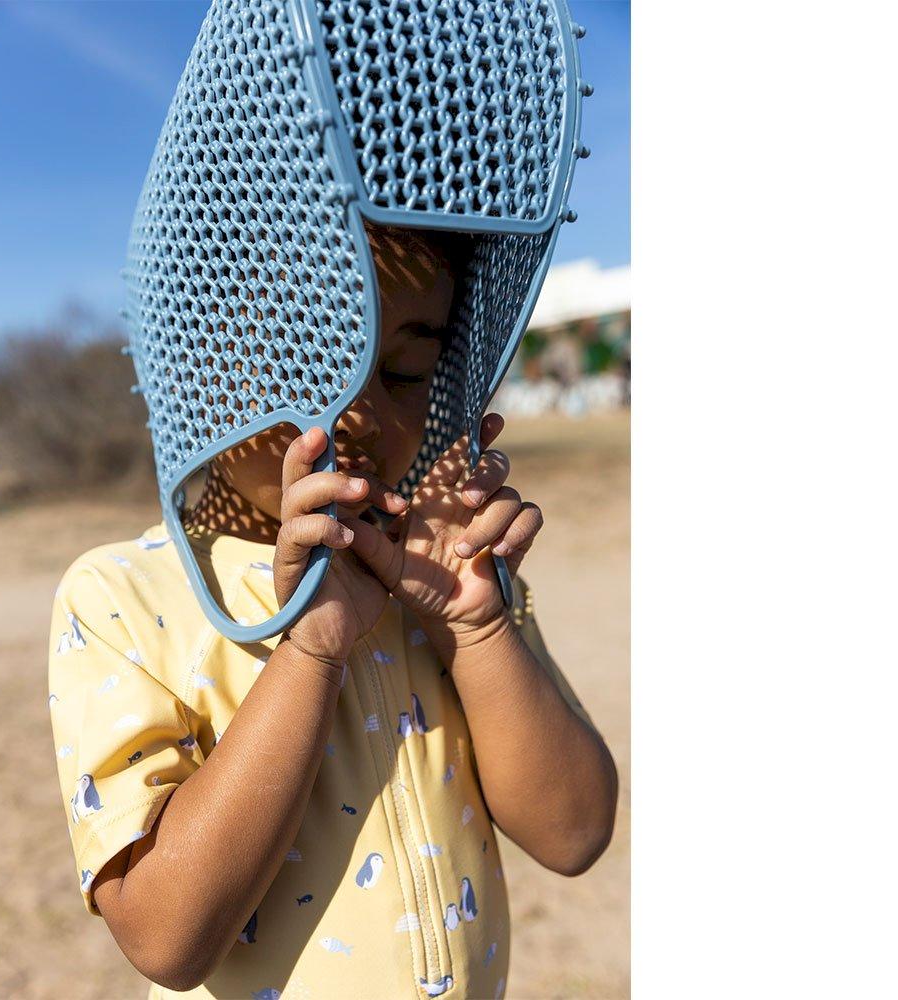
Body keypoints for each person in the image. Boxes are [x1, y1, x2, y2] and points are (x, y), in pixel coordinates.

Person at [48, 223, 618, 1000]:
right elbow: (166, 937)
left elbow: (575, 832)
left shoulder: (444, 571)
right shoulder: (124, 595)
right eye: (316, 360)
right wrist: (312, 649)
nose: (362, 415)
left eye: (409, 368)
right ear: (197, 362)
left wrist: (477, 626)